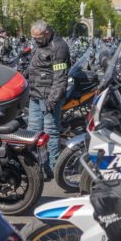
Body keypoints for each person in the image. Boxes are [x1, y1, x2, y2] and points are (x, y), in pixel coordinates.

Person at [26, 20, 70, 172]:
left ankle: (52, 168)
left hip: (48, 97)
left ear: (47, 33)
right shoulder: (40, 44)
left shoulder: (59, 47)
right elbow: (34, 66)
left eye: (37, 38)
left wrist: (52, 100)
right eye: (33, 38)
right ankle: (34, 167)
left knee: (50, 132)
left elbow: (60, 76)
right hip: (35, 95)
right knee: (32, 132)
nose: (35, 41)